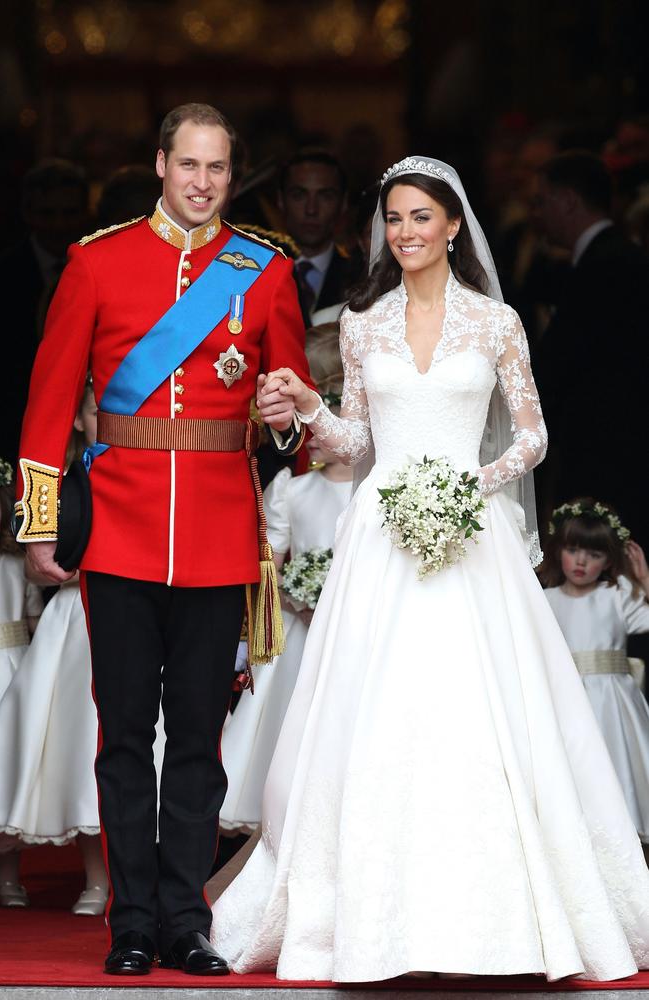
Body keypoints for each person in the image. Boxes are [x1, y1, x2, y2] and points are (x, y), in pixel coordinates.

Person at [212, 156, 649, 983]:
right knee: (375, 716)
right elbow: (355, 441)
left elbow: (532, 437)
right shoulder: (362, 322)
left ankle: (499, 923)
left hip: (469, 535)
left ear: (453, 225)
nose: (405, 232)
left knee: (478, 715)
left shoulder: (496, 323)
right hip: (380, 538)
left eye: (421, 217)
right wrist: (310, 408)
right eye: (394, 219)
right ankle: (372, 923)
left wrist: (467, 488)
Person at [14, 103, 311, 976]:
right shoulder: (96, 263)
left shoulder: (264, 270)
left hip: (219, 533)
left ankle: (187, 918)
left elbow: (290, 420)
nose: (202, 182)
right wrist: (40, 525)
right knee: (121, 737)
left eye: (217, 169)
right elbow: (47, 404)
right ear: (159, 165)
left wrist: (286, 417)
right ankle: (132, 922)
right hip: (120, 533)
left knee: (196, 741)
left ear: (231, 174)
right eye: (189, 165)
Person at [220, 326, 353, 835]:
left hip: (351, 620)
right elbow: (271, 554)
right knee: (287, 714)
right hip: (300, 624)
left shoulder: (371, 491)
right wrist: (294, 591)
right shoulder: (292, 489)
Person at [0, 382, 109, 916]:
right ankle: (93, 878)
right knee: (73, 742)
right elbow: (32, 561)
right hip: (73, 620)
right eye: (97, 411)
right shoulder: (59, 485)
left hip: (136, 615)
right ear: (80, 422)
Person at [532, 151, 649, 549]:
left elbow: (561, 363)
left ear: (567, 201)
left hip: (608, 454)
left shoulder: (606, 265)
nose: (537, 214)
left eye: (542, 201)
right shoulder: (614, 257)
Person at [540, 499, 649, 850]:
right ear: (559, 551)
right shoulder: (544, 598)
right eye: (573, 550)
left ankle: (622, 844)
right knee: (573, 768)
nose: (582, 561)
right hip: (564, 699)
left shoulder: (618, 595)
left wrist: (644, 578)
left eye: (594, 554)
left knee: (616, 765)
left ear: (609, 559)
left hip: (613, 703)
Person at [0, 159, 90, 469]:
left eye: (69, 213)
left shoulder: (105, 266)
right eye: (47, 213)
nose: (59, 224)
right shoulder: (6, 275)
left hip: (90, 428)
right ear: (28, 214)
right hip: (17, 424)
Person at [0, 459, 43, 908]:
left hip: (10, 667)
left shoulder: (14, 565)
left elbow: (32, 620)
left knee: (7, 773)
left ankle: (9, 875)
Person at [278, 150, 363, 325]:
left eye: (326, 196)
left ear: (343, 203)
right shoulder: (257, 270)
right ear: (281, 201)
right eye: (299, 195)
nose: (311, 209)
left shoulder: (361, 276)